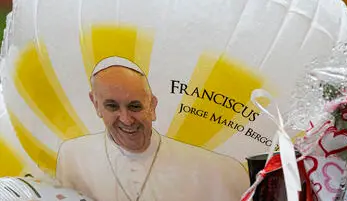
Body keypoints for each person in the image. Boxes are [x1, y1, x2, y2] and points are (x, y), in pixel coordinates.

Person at [56, 56, 248, 201]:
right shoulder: (72, 155)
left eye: (135, 106)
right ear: (95, 104)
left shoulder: (219, 170)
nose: (126, 119)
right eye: (112, 106)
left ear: (152, 106)